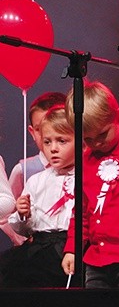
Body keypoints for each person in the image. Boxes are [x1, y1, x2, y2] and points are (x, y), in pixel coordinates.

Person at [61, 81, 119, 288]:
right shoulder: (86, 161)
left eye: (103, 134)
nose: (96, 143)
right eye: (88, 139)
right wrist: (73, 248)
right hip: (96, 260)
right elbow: (81, 212)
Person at [0, 106, 74, 287]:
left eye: (62, 141)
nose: (53, 149)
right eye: (47, 142)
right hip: (40, 245)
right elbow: (24, 230)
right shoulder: (36, 181)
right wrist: (23, 214)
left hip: (68, 246)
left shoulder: (85, 177)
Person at [1, 92, 66, 247]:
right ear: (32, 132)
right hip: (37, 247)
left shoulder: (84, 169)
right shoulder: (24, 171)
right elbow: (8, 216)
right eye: (40, 129)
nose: (48, 133)